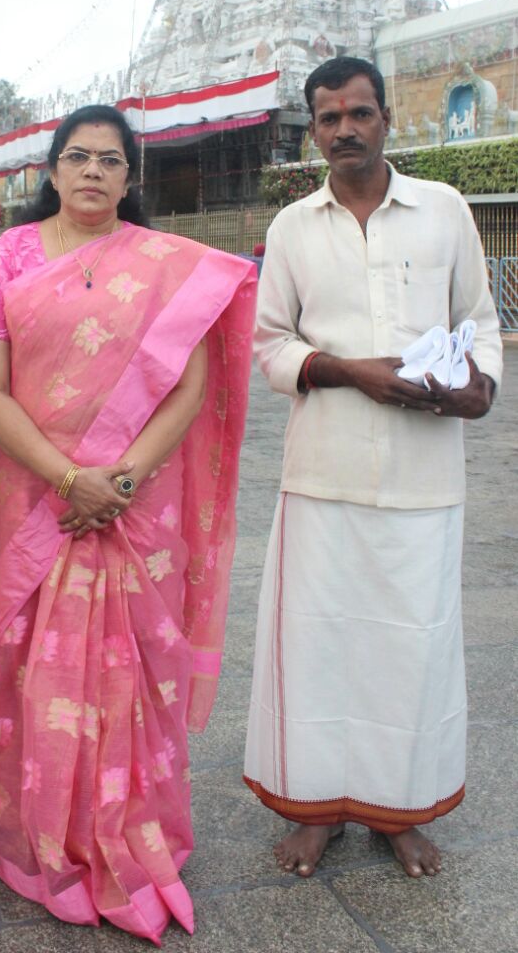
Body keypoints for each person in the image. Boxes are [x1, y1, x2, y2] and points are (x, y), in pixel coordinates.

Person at [0, 104, 257, 942]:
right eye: (77, 157)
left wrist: (119, 480)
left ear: (130, 179)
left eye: (109, 160)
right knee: (35, 664)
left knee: (135, 667)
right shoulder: (9, 257)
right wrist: (69, 478)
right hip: (39, 498)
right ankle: (36, 832)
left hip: (136, 503)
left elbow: (189, 387)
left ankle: (131, 829)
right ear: (52, 170)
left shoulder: (169, 266)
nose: (92, 171)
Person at [243, 57, 502, 879]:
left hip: (424, 475)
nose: (345, 129)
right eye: (328, 117)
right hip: (322, 472)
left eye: (359, 113)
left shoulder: (442, 208)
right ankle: (317, 808)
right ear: (313, 131)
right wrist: (350, 371)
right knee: (316, 644)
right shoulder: (293, 227)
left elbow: (477, 319)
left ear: (386, 118)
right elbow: (269, 344)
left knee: (412, 648)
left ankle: (401, 809)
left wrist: (480, 386)